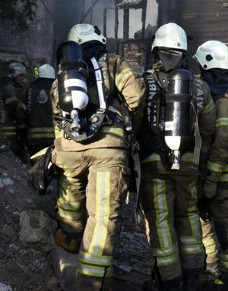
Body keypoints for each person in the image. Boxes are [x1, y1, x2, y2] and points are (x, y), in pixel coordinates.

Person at [50, 23, 144, 291]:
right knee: (103, 216)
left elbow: (56, 111)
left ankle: (69, 239)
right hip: (107, 150)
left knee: (71, 200)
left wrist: (62, 146)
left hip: (68, 148)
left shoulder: (64, 72)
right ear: (98, 40)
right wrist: (130, 125)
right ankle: (92, 281)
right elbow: (136, 95)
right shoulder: (112, 61)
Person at [137, 23, 216, 291]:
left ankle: (169, 282)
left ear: (156, 51)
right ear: (184, 52)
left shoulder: (142, 82)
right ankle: (193, 278)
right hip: (188, 166)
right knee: (189, 217)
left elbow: (132, 122)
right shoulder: (200, 87)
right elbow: (208, 127)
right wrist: (198, 162)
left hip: (154, 165)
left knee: (161, 222)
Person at [192, 40, 228, 290]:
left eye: (201, 69)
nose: (198, 74)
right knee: (204, 223)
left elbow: (224, 141)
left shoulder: (225, 101)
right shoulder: (215, 96)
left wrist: (211, 179)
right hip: (210, 177)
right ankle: (212, 268)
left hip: (223, 179)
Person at [0, 61, 30, 161]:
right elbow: (14, 109)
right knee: (16, 152)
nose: (23, 79)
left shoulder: (10, 88)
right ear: (14, 75)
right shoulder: (9, 89)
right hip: (9, 129)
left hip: (7, 128)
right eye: (21, 77)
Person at [24, 63, 56, 158]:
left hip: (33, 137)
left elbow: (22, 109)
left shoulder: (29, 88)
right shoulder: (56, 88)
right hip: (54, 137)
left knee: (37, 164)